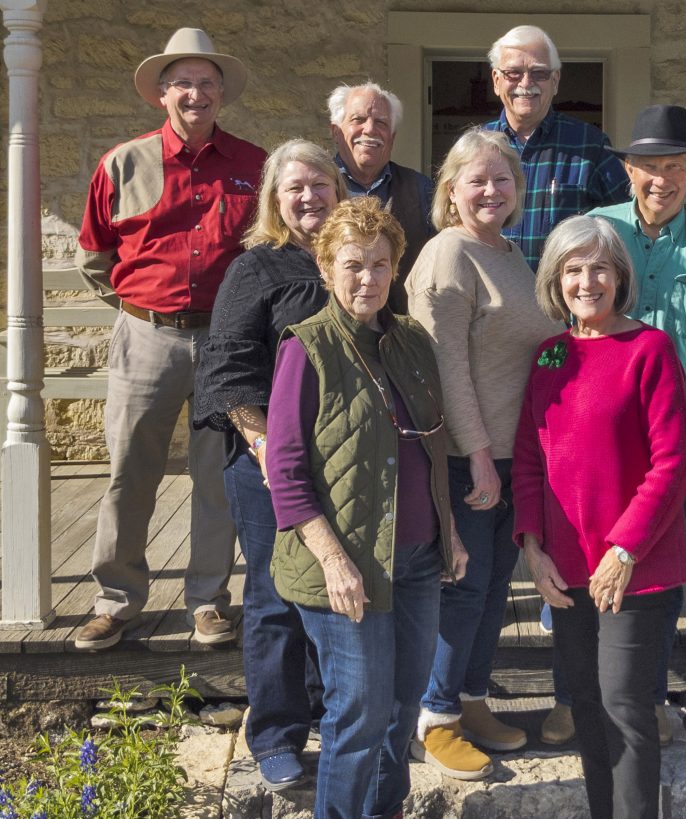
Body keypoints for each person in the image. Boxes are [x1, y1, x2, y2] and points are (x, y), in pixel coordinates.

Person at [265, 196, 468, 819]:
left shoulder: (409, 340)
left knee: (403, 706)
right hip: (344, 566)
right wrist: (332, 560)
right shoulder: (308, 348)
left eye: (381, 265)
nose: (368, 279)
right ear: (326, 268)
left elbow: (433, 447)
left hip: (414, 560)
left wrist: (450, 533)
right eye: (353, 265)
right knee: (358, 712)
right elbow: (287, 472)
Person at [73, 28, 266, 650]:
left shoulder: (253, 166)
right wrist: (139, 310)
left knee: (218, 476)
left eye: (207, 83)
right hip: (146, 337)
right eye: (183, 82)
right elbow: (94, 256)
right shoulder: (122, 163)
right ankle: (116, 598)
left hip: (226, 342)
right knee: (131, 470)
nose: (196, 94)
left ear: (221, 95)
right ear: (162, 93)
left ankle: (209, 600)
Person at [542, 103, 686, 747]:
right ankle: (574, 695)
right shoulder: (595, 230)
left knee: (656, 557)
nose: (662, 179)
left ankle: (644, 696)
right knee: (576, 546)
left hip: (672, 423)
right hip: (595, 418)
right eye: (649, 166)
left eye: (676, 166)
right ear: (626, 169)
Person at [514, 215, 686, 819]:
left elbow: (673, 465)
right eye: (572, 269)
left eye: (598, 268)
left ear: (620, 277)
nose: (585, 280)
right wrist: (532, 547)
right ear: (555, 280)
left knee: (625, 706)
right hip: (565, 568)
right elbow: (529, 459)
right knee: (587, 705)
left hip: (634, 568)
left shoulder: (649, 350)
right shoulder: (549, 357)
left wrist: (623, 550)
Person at [405, 128, 563, 780]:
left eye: (503, 180)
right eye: (477, 179)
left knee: (496, 587)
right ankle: (434, 715)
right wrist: (474, 452)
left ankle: (471, 698)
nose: (491, 190)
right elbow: (446, 368)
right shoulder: (449, 254)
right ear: (452, 189)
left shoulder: (510, 254)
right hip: (469, 455)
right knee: (464, 588)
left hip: (511, 455)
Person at [193, 140, 344, 791]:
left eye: (320, 185)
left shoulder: (351, 260)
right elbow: (228, 372)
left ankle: (325, 707)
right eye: (295, 188)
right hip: (265, 460)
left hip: (343, 458)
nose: (309, 197)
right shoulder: (254, 269)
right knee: (278, 593)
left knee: (336, 587)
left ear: (339, 191)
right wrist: (265, 452)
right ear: (275, 200)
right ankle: (276, 732)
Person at [481, 25, 630, 270]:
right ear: (497, 81)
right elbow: (448, 224)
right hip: (491, 303)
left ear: (555, 80)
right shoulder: (473, 147)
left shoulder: (590, 145)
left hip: (563, 303)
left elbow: (632, 216)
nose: (526, 83)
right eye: (513, 73)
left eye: (539, 73)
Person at [327, 82, 434, 312]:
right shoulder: (317, 187)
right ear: (336, 131)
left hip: (399, 333)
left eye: (381, 123)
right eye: (358, 119)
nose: (369, 129)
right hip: (330, 333)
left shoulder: (420, 188)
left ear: (392, 137)